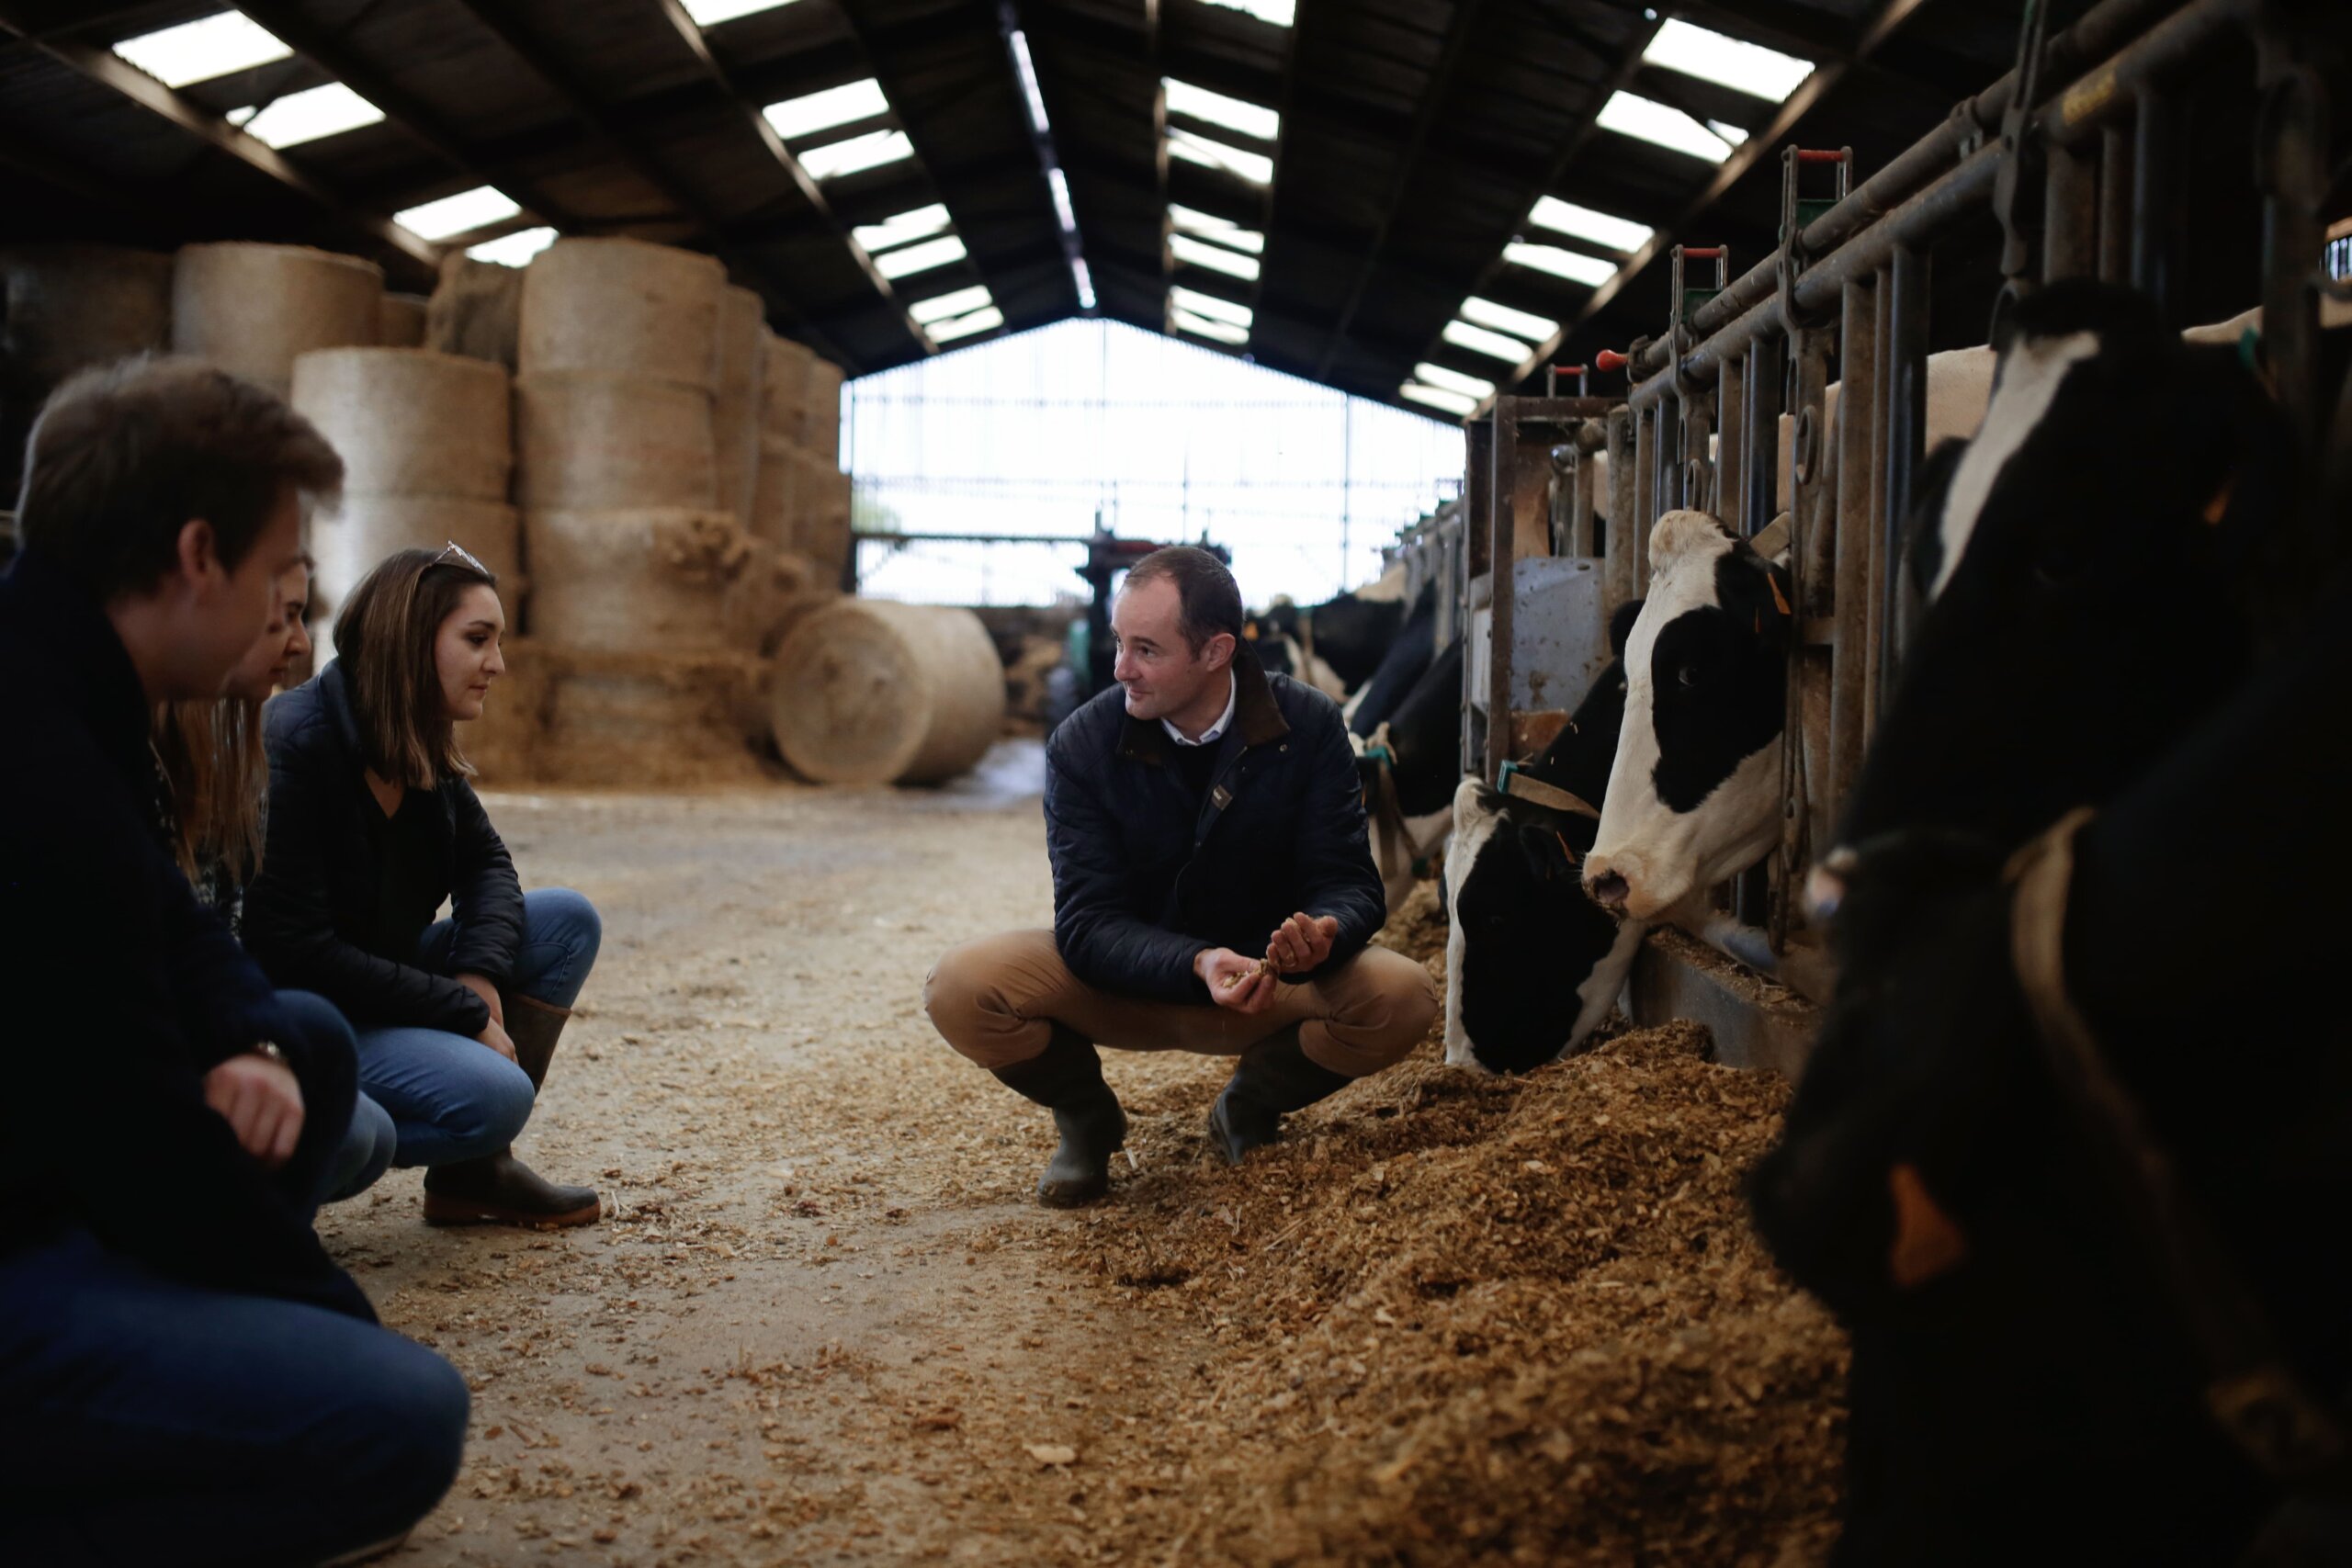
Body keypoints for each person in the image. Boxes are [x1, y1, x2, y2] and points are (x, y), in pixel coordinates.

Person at [0, 356, 469, 1565]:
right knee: (400, 1416)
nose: (283, 615)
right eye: (274, 578)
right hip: (33, 1218)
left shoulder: (71, 681)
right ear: (198, 555)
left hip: (56, 1166)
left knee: (303, 1041)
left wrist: (250, 1039)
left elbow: (184, 930)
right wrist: (334, 1321)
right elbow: (139, 1131)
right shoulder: (34, 761)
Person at [925, 547, 1439, 1207]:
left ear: (1216, 650)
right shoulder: (1083, 742)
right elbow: (1086, 924)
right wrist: (1194, 962)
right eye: (1119, 643)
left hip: (1265, 983)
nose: (1120, 669)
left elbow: (1350, 880)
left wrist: (1326, 932)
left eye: (1147, 649)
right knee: (961, 986)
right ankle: (1087, 1118)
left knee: (1405, 994)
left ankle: (1250, 1102)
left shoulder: (1307, 725)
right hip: (1124, 984)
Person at [245, 545, 606, 1228]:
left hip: (386, 977)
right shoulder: (296, 745)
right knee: (496, 1095)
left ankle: (473, 1174)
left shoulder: (416, 737)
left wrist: (478, 972)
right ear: (409, 642)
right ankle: (296, 1153)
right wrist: (458, 1010)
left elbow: (487, 865)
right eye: (477, 640)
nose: (497, 663)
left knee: (567, 920)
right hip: (313, 1010)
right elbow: (294, 950)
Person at [154, 554, 398, 1204]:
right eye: (283, 617)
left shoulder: (239, 760)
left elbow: (485, 867)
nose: (300, 643)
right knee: (346, 1107)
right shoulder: (297, 740)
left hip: (263, 1010)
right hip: (148, 1047)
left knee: (360, 1119)